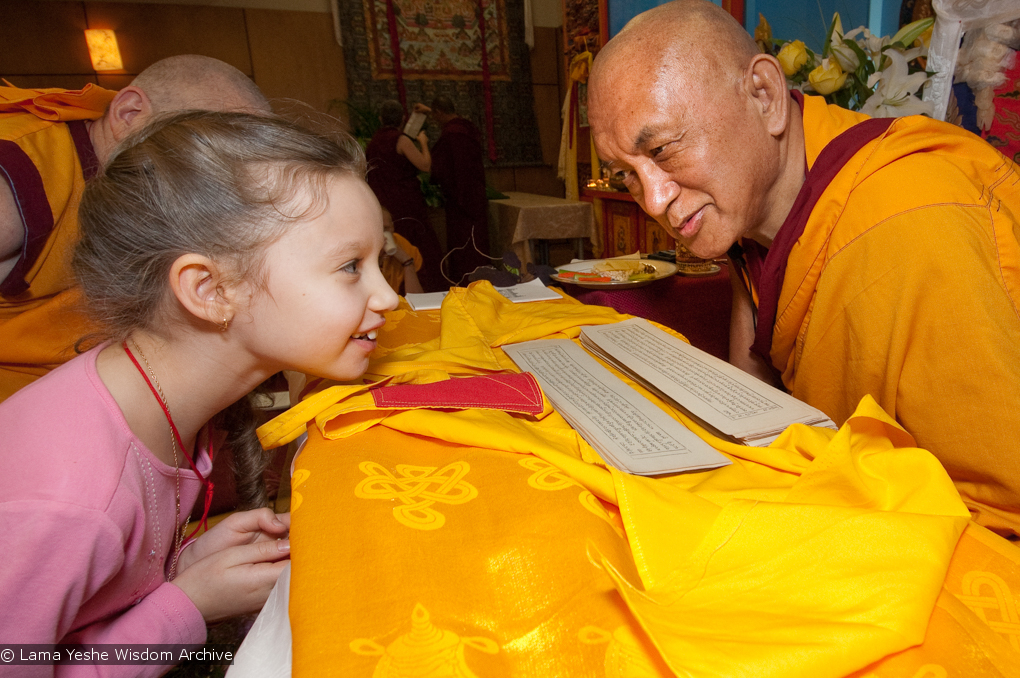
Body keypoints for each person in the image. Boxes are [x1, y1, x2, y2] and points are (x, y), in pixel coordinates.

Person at [587, 0, 1020, 536]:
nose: (653, 201)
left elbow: (1002, 507)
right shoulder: (754, 219)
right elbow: (755, 411)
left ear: (764, 96)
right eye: (626, 174)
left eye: (662, 148)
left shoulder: (914, 224)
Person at [0, 111, 400, 671]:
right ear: (209, 290)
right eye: (350, 266)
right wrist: (186, 606)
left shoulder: (159, 400)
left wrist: (183, 565)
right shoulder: (69, 503)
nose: (389, 298)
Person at [0, 54, 270, 403]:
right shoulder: (24, 173)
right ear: (129, 113)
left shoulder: (151, 191)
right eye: (202, 144)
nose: (215, 175)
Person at [365, 100, 445, 291]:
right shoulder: (401, 140)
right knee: (418, 243)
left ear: (380, 119)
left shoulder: (373, 142)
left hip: (382, 202)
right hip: (405, 201)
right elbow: (425, 165)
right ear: (402, 119)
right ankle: (425, 288)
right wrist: (423, 143)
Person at [429, 96, 491, 284]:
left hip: (460, 199)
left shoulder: (452, 134)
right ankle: (481, 282)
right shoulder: (466, 128)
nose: (434, 120)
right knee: (477, 243)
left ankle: (466, 284)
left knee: (464, 248)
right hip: (475, 194)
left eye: (434, 115)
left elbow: (445, 168)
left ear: (439, 112)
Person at [380, 208, 424, 294]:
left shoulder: (404, 246)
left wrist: (407, 261)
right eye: (377, 229)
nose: (383, 235)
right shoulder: (357, 252)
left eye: (386, 229)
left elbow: (417, 298)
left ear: (392, 227)